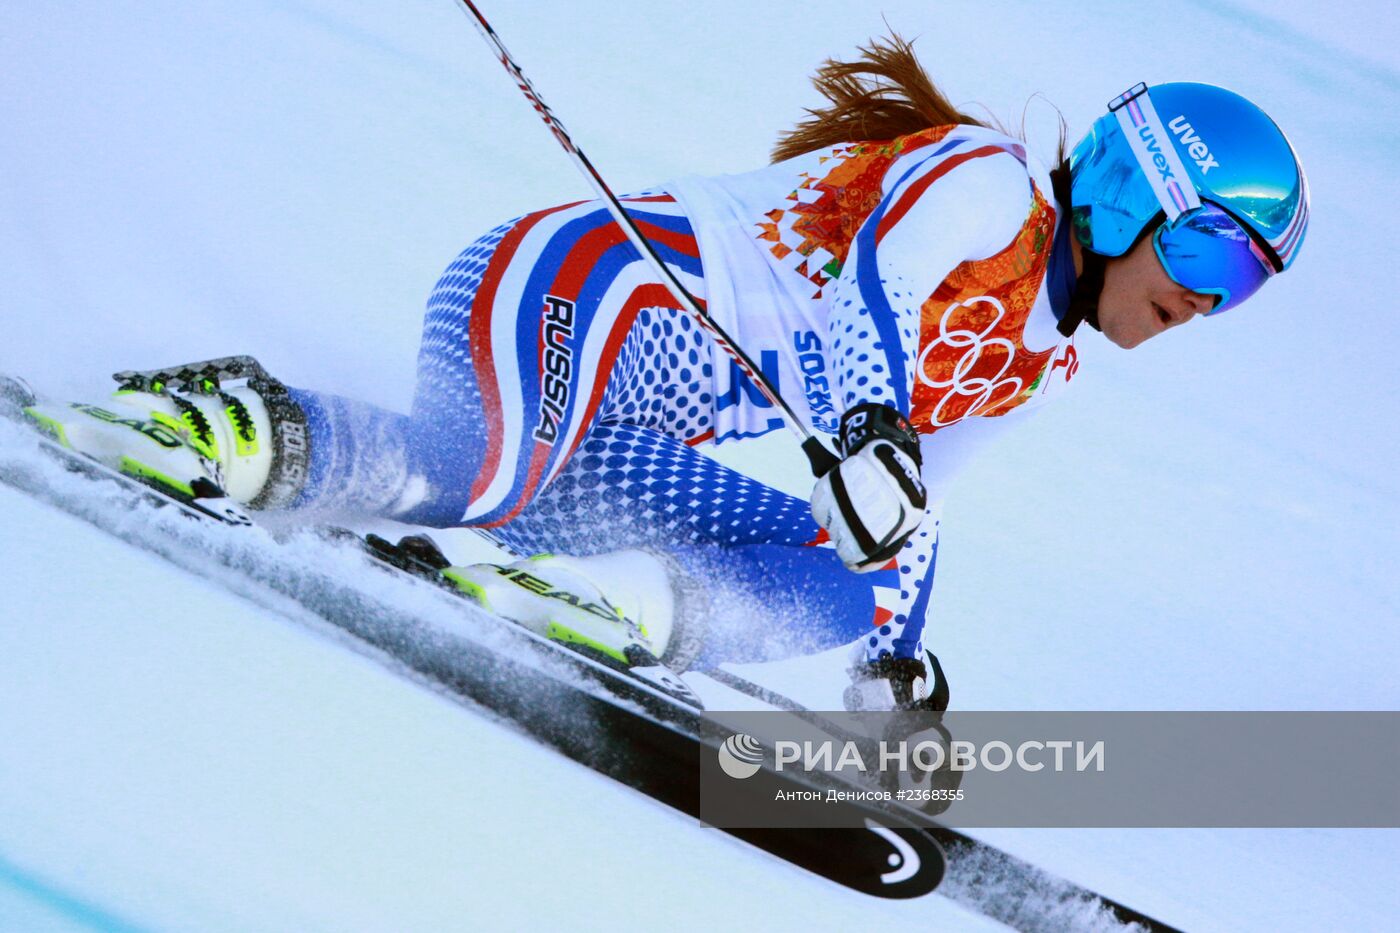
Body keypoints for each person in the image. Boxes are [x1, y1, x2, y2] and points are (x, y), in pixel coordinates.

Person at [19, 37, 1309, 709]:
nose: (1208, 298)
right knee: (482, 467)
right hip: (581, 292)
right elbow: (876, 282)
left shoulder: (1031, 365)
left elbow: (904, 523)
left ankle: (606, 606)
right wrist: (866, 429)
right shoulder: (984, 180)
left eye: (1243, 284)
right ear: (1137, 191)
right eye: (1211, 250)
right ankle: (226, 425)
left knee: (851, 583)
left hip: (624, 420)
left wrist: (892, 683)